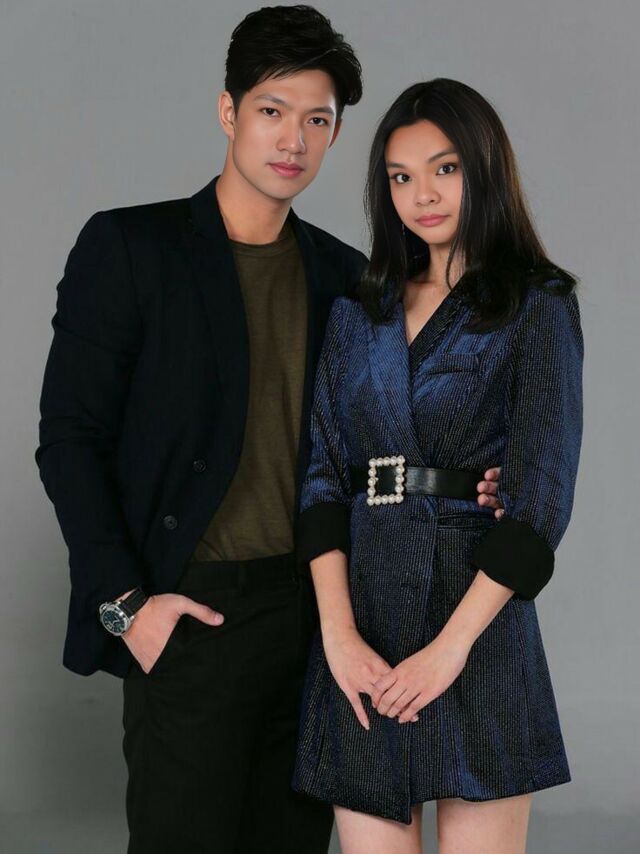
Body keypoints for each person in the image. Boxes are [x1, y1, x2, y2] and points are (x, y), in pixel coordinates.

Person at [35, 7, 504, 850]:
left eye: (317, 120)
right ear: (229, 112)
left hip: (317, 618)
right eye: (272, 110)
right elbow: (68, 437)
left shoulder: (347, 279)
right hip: (191, 616)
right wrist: (127, 606)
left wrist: (473, 483)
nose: (293, 139)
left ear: (335, 135)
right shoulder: (131, 247)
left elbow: (378, 441)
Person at [292, 78, 584, 854]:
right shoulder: (359, 312)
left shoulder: (536, 304)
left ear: (484, 167)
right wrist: (339, 636)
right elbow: (322, 481)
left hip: (477, 628)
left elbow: (540, 504)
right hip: (363, 624)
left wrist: (450, 650)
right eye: (400, 176)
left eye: (444, 169)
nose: (421, 195)